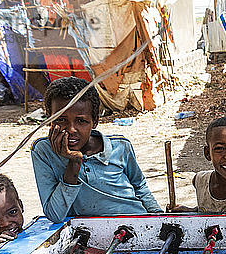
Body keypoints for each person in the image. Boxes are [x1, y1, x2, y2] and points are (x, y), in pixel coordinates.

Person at [31, 77, 162, 223]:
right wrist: (74, 162)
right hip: (90, 232)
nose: (71, 129)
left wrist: (159, 217)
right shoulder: (43, 152)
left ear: (95, 121)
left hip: (137, 221)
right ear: (50, 118)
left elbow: (140, 186)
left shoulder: (120, 147)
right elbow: (55, 214)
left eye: (81, 121)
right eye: (61, 120)